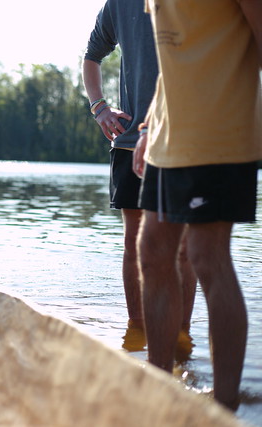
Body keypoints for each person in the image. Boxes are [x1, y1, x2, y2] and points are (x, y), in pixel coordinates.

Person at [133, 0, 262, 410]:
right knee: (152, 252)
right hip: (169, 133)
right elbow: (176, 55)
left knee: (206, 256)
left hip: (219, 126)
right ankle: (158, 388)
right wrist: (150, 125)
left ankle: (223, 406)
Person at [82, 0, 196, 338]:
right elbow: (92, 56)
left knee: (185, 248)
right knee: (134, 243)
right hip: (130, 141)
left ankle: (181, 337)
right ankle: (136, 334)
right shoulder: (118, 4)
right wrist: (99, 107)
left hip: (186, 138)